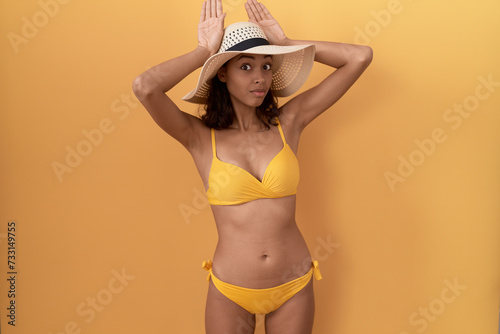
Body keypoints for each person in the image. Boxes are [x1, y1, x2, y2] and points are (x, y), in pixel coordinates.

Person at [132, 0, 372, 332]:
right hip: (231, 290)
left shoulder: (289, 123)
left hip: (293, 286)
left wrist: (288, 45)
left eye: (266, 66)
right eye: (245, 66)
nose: (259, 78)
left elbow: (360, 57)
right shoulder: (199, 138)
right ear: (223, 72)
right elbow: (145, 87)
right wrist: (204, 51)